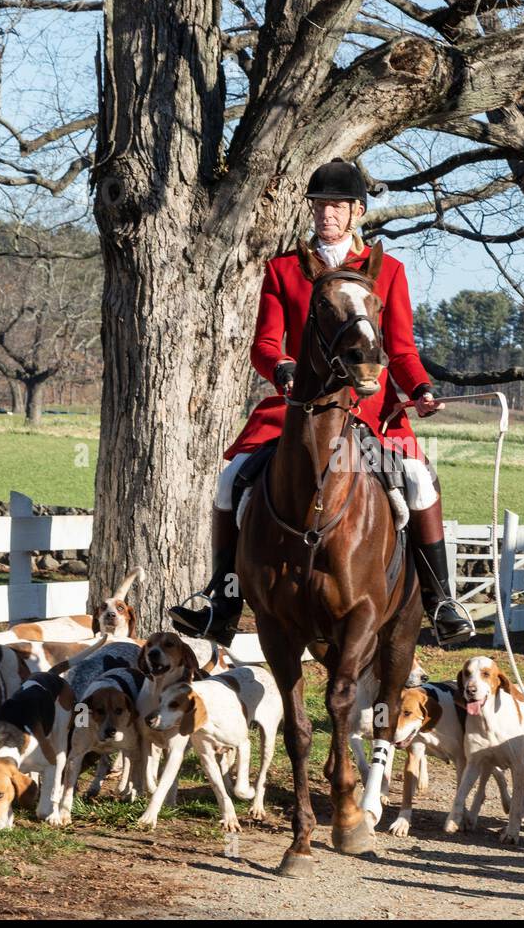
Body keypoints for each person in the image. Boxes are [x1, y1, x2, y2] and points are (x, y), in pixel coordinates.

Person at [168, 158, 476, 648]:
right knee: (231, 480)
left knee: (418, 479)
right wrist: (282, 367)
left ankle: (441, 600)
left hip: (369, 413)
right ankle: (221, 597)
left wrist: (419, 389)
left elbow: (399, 348)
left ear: (357, 212)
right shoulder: (284, 269)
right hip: (299, 410)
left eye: (336, 206)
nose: (325, 214)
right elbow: (265, 344)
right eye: (318, 205)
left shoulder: (387, 271)